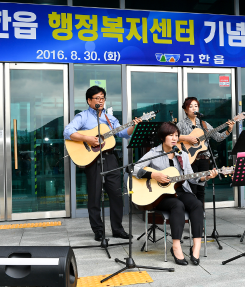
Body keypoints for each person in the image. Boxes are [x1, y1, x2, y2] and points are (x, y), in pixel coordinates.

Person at [134, 122, 218, 266]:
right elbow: (134, 169)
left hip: (180, 190)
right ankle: (176, 246)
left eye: (176, 135)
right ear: (162, 137)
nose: (174, 138)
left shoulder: (182, 154)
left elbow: (192, 177)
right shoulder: (153, 153)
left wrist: (207, 177)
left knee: (197, 204)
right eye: (170, 135)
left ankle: (196, 246)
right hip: (161, 196)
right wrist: (153, 175)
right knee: (177, 206)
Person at [63, 86, 142, 242]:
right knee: (94, 196)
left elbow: (123, 133)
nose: (101, 101)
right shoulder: (83, 116)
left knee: (117, 195)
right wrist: (87, 139)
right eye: (97, 98)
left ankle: (118, 229)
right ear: (89, 101)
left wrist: (134, 125)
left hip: (110, 158)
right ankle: (98, 230)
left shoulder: (109, 118)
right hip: (92, 160)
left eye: (103, 98)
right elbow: (68, 131)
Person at [176, 97, 234, 206]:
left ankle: (200, 216)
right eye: (191, 106)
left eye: (196, 106)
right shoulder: (181, 124)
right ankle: (191, 214)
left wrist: (229, 130)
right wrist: (187, 138)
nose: (194, 108)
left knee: (201, 189)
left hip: (204, 160)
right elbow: (173, 137)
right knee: (192, 189)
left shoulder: (204, 124)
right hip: (190, 160)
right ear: (185, 110)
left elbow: (218, 137)